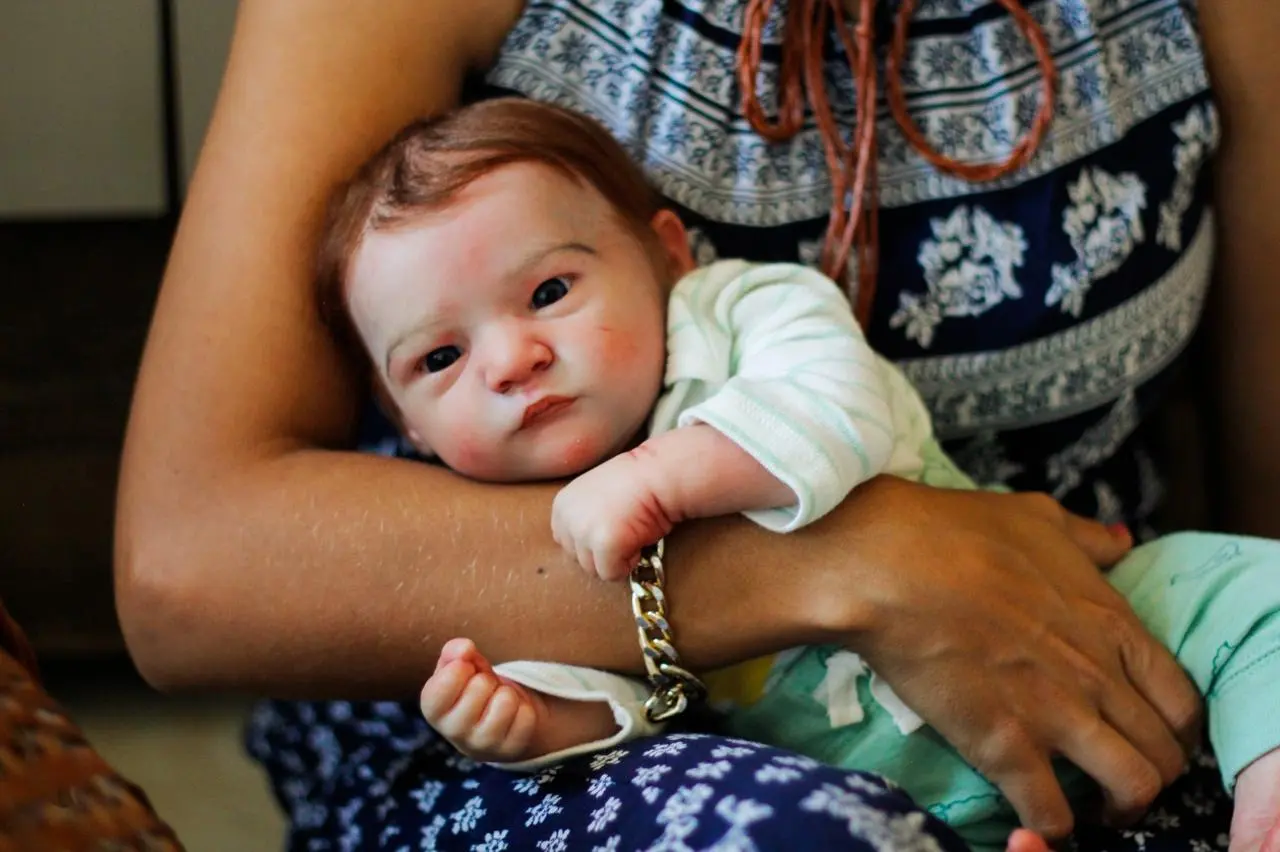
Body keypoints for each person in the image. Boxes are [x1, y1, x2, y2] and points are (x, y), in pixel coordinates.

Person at [113, 0, 1280, 849]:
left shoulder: (734, 317)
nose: (511, 360)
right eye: (438, 358)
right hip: (763, 737)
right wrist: (539, 714)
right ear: (400, 418)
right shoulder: (521, 495)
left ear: (667, 256)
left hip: (1068, 606)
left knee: (1253, 604)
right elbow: (184, 569)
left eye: (550, 292)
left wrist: (671, 482)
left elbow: (830, 397)